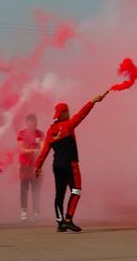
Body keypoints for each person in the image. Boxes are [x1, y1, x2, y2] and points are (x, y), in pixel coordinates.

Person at [35, 91, 108, 233]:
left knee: (59, 194)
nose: (69, 113)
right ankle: (68, 219)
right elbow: (82, 114)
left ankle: (60, 222)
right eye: (67, 111)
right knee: (76, 190)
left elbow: (44, 151)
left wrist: (38, 166)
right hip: (70, 164)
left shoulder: (50, 131)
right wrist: (93, 101)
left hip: (57, 166)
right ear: (63, 113)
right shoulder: (68, 126)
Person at [17, 114, 44, 222]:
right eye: (30, 122)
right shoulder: (21, 134)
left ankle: (36, 212)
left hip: (36, 166)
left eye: (34, 122)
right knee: (24, 189)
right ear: (27, 123)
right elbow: (21, 150)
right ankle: (24, 211)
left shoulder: (40, 134)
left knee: (36, 189)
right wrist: (33, 150)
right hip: (24, 165)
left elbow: (43, 148)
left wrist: (37, 152)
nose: (32, 124)